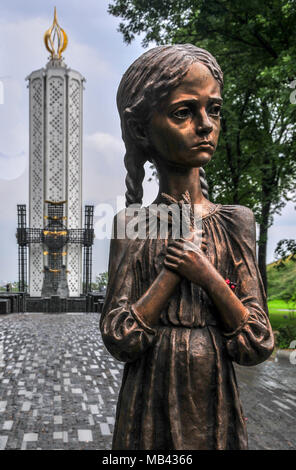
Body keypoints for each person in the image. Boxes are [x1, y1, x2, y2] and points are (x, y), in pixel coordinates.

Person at [100, 44, 274, 450]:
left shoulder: (235, 221)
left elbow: (258, 341)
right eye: (184, 112)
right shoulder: (134, 224)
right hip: (149, 401)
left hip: (214, 397)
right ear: (142, 129)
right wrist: (170, 274)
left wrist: (205, 273)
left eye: (214, 109)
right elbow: (120, 338)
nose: (206, 125)